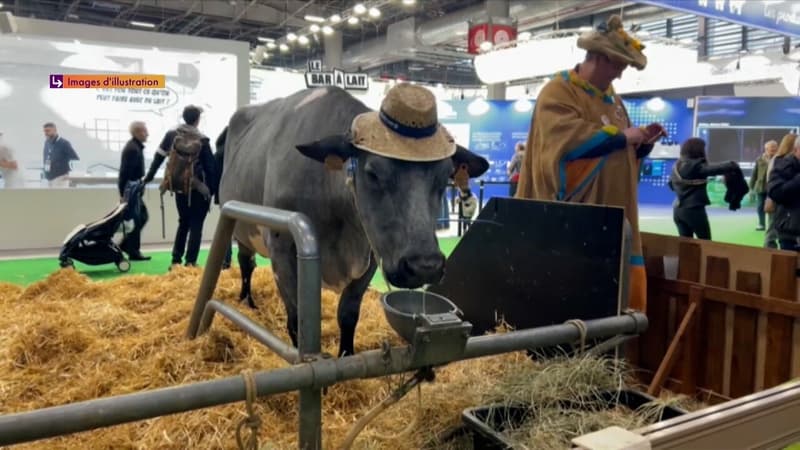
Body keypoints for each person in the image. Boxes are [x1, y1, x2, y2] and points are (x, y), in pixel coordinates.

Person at [515, 15, 665, 312]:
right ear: (597, 57)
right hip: (574, 220)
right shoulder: (557, 92)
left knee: (612, 300)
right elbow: (564, 142)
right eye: (617, 65)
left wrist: (642, 142)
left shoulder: (613, 99)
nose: (620, 75)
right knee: (573, 299)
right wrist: (622, 137)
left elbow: (619, 152)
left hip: (617, 214)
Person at [144, 105, 217, 268]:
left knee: (183, 222)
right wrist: (211, 191)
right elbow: (210, 167)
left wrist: (149, 177)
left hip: (179, 187)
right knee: (196, 225)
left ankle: (175, 260)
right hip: (198, 188)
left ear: (184, 117)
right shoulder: (203, 139)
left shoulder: (171, 135)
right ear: (197, 120)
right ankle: (190, 262)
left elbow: (159, 157)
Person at [668, 137, 739, 240]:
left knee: (685, 246)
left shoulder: (677, 165)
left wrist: (689, 184)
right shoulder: (695, 165)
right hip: (694, 210)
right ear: (698, 150)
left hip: (678, 210)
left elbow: (671, 185)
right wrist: (732, 165)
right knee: (705, 242)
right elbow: (713, 169)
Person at [117, 121, 151, 261]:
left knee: (141, 217)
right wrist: (124, 194)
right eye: (145, 131)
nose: (147, 133)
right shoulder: (132, 149)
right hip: (132, 190)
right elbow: (124, 173)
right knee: (137, 219)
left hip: (134, 189)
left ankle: (126, 245)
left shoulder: (135, 147)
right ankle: (133, 251)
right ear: (138, 132)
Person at [766, 137, 800, 252]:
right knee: (789, 268)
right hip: (791, 232)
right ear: (795, 150)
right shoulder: (782, 165)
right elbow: (776, 192)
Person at [750, 140, 777, 231]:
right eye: (771, 149)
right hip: (761, 187)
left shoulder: (779, 159)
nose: (773, 151)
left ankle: (771, 226)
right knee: (760, 206)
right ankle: (761, 224)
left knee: (772, 207)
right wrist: (751, 188)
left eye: (775, 149)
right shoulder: (759, 159)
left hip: (773, 187)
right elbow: (754, 174)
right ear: (766, 149)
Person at [42, 122, 79, 188]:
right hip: (49, 178)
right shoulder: (47, 142)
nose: (45, 133)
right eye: (44, 131)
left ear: (55, 130)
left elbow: (75, 158)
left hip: (61, 178)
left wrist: (66, 171)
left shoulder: (64, 143)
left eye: (48, 131)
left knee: (60, 197)